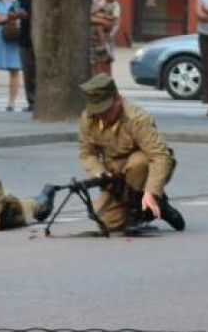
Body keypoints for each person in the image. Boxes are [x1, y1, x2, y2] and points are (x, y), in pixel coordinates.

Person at [77, 73, 184, 235]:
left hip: (143, 169)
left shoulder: (137, 118)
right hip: (116, 174)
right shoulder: (89, 118)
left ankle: (140, 212)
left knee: (138, 163)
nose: (102, 116)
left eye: (106, 109)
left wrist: (150, 192)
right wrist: (101, 175)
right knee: (106, 222)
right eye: (98, 111)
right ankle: (158, 206)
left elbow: (160, 157)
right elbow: (86, 154)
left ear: (118, 99)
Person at [90, 0, 119, 75]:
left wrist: (102, 18)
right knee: (95, 65)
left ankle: (104, 45)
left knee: (105, 65)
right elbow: (94, 14)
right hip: (93, 40)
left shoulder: (115, 5)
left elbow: (114, 20)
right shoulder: (100, 1)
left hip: (106, 36)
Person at [15, 0, 35, 111]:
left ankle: (41, 100)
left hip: (43, 41)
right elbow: (15, 10)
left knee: (41, 72)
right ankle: (32, 101)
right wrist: (19, 14)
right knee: (28, 72)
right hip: (25, 39)